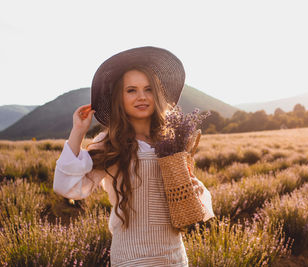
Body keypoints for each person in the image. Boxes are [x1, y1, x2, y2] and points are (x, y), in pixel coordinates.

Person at [53, 46, 214, 267]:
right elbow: (67, 187)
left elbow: (198, 198)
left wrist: (194, 190)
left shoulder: (172, 142)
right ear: (119, 96)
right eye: (131, 90)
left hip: (174, 257)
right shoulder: (110, 143)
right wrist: (78, 132)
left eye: (148, 89)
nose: (141, 97)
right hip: (131, 258)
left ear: (157, 94)